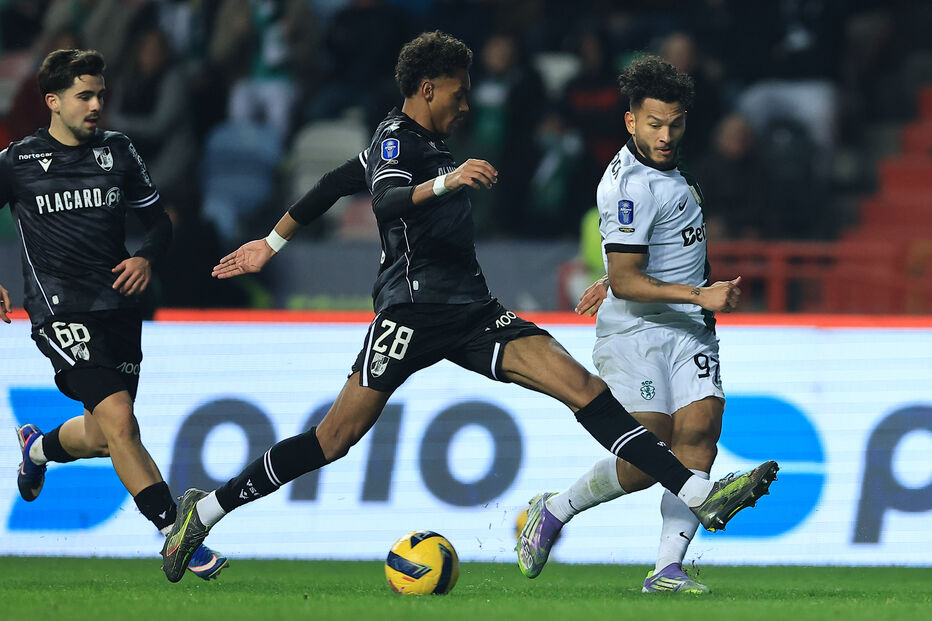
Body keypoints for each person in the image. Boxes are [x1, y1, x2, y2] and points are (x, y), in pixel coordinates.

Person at [159, 32, 778, 584]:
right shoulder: (399, 141)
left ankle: (696, 490)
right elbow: (386, 203)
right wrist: (447, 183)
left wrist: (270, 244)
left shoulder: (410, 139)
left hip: (473, 311)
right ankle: (207, 508)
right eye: (458, 93)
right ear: (428, 88)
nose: (465, 103)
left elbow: (330, 185)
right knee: (334, 439)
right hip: (409, 313)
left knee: (581, 385)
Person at [516, 56, 753, 594]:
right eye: (654, 124)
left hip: (688, 327)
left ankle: (666, 569)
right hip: (635, 331)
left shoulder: (675, 168)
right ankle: (554, 510)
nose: (666, 135)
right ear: (630, 122)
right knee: (649, 452)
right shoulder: (628, 186)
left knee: (700, 434)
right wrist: (699, 293)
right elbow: (627, 280)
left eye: (675, 124)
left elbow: (646, 257)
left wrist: (648, 282)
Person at [0, 49, 227, 580]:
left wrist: (146, 257)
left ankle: (38, 449)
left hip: (119, 310)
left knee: (104, 434)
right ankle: (178, 534)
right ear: (53, 102)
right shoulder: (17, 163)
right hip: (59, 311)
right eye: (85, 96)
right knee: (121, 421)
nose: (97, 104)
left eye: (101, 93)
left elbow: (158, 222)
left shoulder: (118, 152)